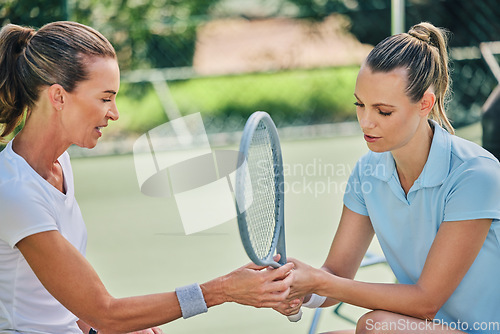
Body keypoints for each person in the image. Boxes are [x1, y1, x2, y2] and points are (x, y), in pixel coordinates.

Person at [0, 21, 295, 334]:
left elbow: (63, 304)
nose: (114, 113)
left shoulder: (58, 164)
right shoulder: (15, 192)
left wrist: (110, 329)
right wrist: (224, 290)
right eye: (104, 98)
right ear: (59, 97)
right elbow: (105, 312)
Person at [275, 22, 500, 334]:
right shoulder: (367, 171)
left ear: (425, 104)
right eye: (360, 105)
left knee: (376, 326)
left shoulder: (475, 174)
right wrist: (301, 291)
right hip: (419, 328)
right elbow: (336, 274)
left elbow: (425, 302)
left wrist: (320, 281)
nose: (366, 121)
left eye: (383, 111)